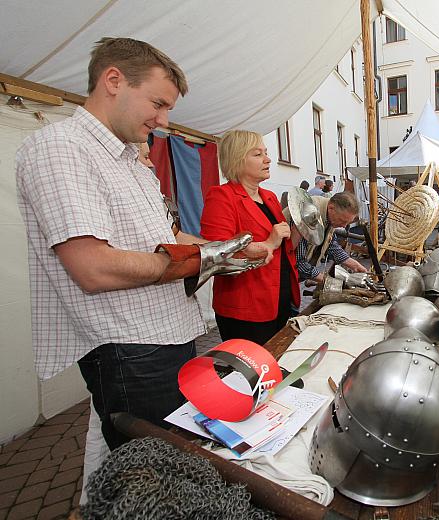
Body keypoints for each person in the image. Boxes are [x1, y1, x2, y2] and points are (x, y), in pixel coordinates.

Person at [15, 37, 262, 453]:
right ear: (114, 80)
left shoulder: (131, 160)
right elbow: (93, 268)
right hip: (130, 351)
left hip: (168, 339)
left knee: (176, 460)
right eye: (158, 103)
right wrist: (199, 260)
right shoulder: (60, 147)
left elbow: (165, 239)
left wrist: (222, 250)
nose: (163, 120)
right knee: (155, 474)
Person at [200, 130, 299, 345]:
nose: (268, 159)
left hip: (279, 298)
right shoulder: (222, 196)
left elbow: (284, 246)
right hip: (247, 309)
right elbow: (218, 254)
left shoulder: (269, 197)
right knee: (252, 373)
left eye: (266, 152)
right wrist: (269, 243)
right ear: (237, 158)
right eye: (257, 154)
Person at [287, 191, 367, 283]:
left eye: (347, 223)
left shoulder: (329, 215)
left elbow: (330, 244)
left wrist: (353, 264)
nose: (344, 226)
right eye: (342, 221)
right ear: (331, 208)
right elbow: (298, 262)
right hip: (280, 273)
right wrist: (327, 281)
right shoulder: (309, 214)